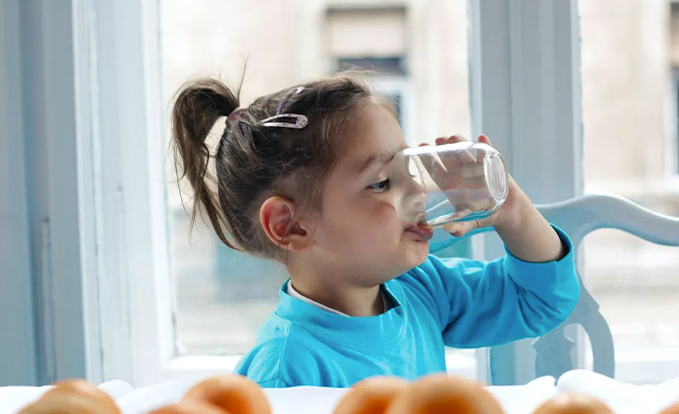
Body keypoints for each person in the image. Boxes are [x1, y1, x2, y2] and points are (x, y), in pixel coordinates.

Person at [171, 72, 580, 388]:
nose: (418, 190)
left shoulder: (418, 287)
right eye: (382, 182)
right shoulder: (286, 371)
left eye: (410, 167)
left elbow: (540, 299)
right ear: (290, 225)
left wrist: (512, 209)